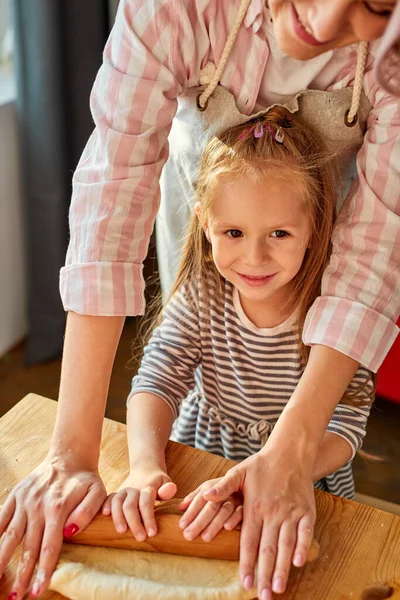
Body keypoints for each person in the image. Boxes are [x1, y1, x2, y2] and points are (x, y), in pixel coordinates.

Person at [0, 1, 399, 599]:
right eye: (234, 234)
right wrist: (74, 450)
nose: (324, 19)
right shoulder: (173, 8)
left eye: (373, 4)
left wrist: (292, 459)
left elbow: (374, 252)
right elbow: (113, 188)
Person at [103, 107, 374, 600]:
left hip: (305, 478)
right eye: (234, 233)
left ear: (316, 225)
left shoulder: (334, 308)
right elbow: (156, 382)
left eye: (279, 234)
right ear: (205, 223)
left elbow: (346, 424)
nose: (254, 257)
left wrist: (281, 478)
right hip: (201, 465)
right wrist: (144, 464)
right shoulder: (202, 293)